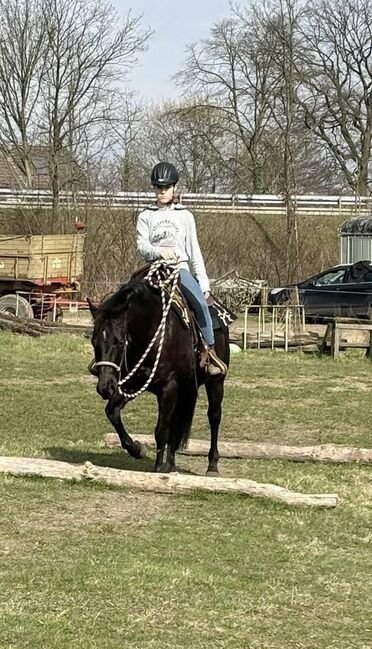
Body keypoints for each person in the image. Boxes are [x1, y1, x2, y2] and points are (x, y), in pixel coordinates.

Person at [136, 161, 227, 376]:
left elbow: (194, 251)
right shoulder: (146, 216)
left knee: (200, 304)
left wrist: (203, 282)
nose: (161, 192)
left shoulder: (185, 216)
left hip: (179, 270)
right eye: (158, 188)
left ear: (175, 188)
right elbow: (142, 246)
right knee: (126, 301)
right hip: (154, 269)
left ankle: (210, 350)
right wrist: (159, 252)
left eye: (166, 187)